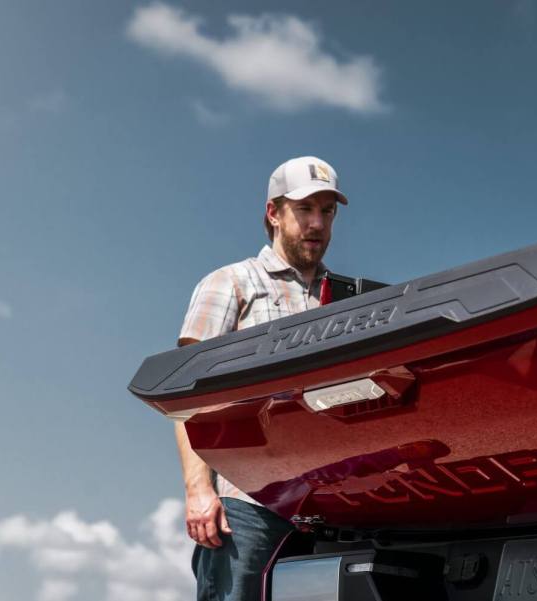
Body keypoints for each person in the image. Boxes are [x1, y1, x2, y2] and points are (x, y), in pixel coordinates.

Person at [175, 156, 348, 600]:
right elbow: (187, 396)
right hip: (249, 506)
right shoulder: (231, 284)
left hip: (331, 510)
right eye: (305, 209)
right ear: (274, 213)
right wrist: (199, 491)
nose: (317, 223)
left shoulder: (344, 302)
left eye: (327, 211)